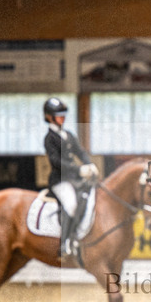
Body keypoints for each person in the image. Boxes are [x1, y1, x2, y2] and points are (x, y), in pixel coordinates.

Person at [43, 97, 98, 260]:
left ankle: (76, 236)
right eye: (59, 115)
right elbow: (56, 162)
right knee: (71, 204)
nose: (63, 118)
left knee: (87, 196)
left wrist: (89, 164)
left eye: (63, 114)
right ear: (49, 117)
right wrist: (79, 168)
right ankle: (65, 243)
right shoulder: (49, 138)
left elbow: (79, 151)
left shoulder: (68, 134)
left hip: (74, 178)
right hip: (60, 180)